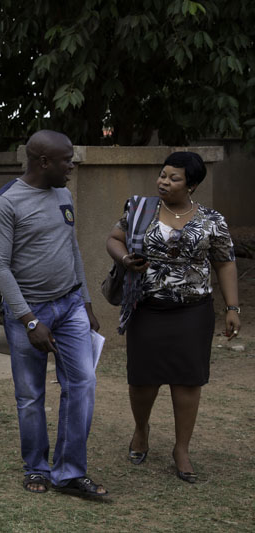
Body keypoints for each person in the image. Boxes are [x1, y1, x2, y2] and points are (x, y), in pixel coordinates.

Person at [0, 130, 107, 498]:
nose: (72, 165)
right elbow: (0, 268)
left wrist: (85, 301)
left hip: (70, 305)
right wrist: (29, 320)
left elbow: (72, 249)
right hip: (30, 311)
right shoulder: (4, 204)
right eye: (67, 159)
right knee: (30, 395)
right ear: (43, 162)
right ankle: (36, 467)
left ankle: (68, 473)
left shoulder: (64, 194)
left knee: (82, 383)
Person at [106, 151, 240, 484]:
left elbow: (224, 262)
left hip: (193, 311)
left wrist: (233, 308)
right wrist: (124, 260)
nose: (164, 182)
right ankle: (141, 430)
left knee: (188, 380)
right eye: (163, 175)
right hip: (147, 307)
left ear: (192, 185)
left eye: (173, 178)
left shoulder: (212, 219)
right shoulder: (139, 210)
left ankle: (182, 449)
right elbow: (113, 239)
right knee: (142, 381)